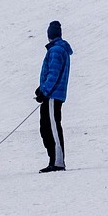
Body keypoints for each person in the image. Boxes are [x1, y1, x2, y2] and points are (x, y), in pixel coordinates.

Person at [35, 21, 72, 172]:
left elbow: (54, 74)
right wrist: (41, 89)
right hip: (52, 93)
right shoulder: (57, 49)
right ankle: (54, 160)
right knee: (45, 127)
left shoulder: (56, 50)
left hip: (52, 95)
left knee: (52, 127)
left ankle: (57, 162)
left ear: (50, 35)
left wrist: (44, 91)